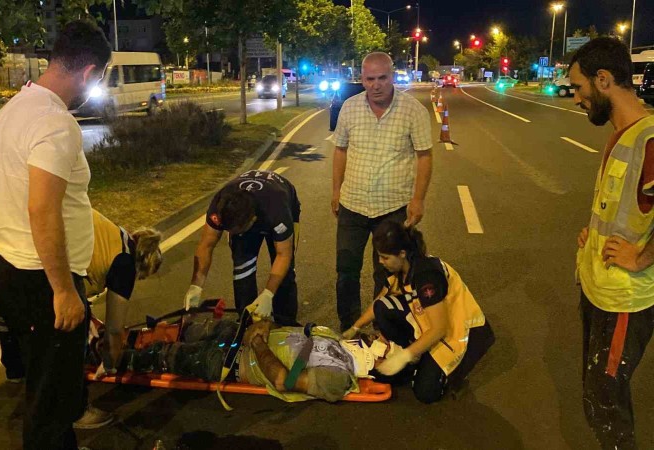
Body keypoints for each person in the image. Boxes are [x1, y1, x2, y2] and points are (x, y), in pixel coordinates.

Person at [0, 21, 111, 450]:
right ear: (91, 73)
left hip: (9, 266)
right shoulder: (55, 122)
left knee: (44, 386)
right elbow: (42, 208)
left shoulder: (15, 107)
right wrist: (62, 290)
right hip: (42, 280)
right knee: (49, 407)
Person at [0, 209, 163, 428]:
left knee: (10, 307)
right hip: (32, 240)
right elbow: (115, 329)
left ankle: (15, 369)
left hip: (0, 226)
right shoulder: (124, 263)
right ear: (141, 265)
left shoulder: (114, 233)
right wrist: (109, 362)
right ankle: (74, 410)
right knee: (68, 333)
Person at [571, 37, 654, 450]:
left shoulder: (650, 139)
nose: (575, 99)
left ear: (603, 80)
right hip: (598, 288)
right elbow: (622, 208)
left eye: (579, 88)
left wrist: (642, 257)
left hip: (625, 298)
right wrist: (594, 236)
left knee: (606, 398)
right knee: (596, 393)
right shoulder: (624, 134)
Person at [332, 52, 433, 332]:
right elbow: (340, 150)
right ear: (362, 79)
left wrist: (418, 199)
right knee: (346, 271)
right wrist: (335, 191)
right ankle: (349, 327)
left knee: (386, 274)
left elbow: (424, 156)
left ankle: (382, 331)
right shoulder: (349, 108)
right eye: (370, 78)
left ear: (393, 76)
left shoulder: (413, 110)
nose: (376, 85)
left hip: (392, 207)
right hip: (352, 204)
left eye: (382, 78)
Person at [342, 221, 494, 403]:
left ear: (402, 254)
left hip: (459, 334)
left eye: (384, 257)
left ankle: (443, 372)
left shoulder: (426, 277)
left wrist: (404, 357)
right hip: (431, 325)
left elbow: (439, 329)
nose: (380, 262)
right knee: (383, 307)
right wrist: (355, 327)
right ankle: (417, 356)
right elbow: (379, 302)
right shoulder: (404, 267)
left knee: (425, 393)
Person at [129, 317, 374, 403]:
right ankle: (131, 339)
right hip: (238, 336)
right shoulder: (338, 341)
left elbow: (284, 381)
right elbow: (294, 334)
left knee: (166, 355)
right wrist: (265, 326)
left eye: (386, 345)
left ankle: (114, 356)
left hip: (231, 363)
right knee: (187, 329)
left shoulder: (338, 378)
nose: (378, 336)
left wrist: (258, 344)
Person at [184, 170, 301, 325]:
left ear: (252, 221)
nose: (229, 234)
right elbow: (206, 245)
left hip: (280, 202)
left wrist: (268, 294)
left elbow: (283, 255)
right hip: (243, 214)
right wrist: (195, 286)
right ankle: (247, 323)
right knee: (242, 271)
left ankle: (286, 322)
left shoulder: (277, 209)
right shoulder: (220, 203)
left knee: (284, 276)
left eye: (234, 231)